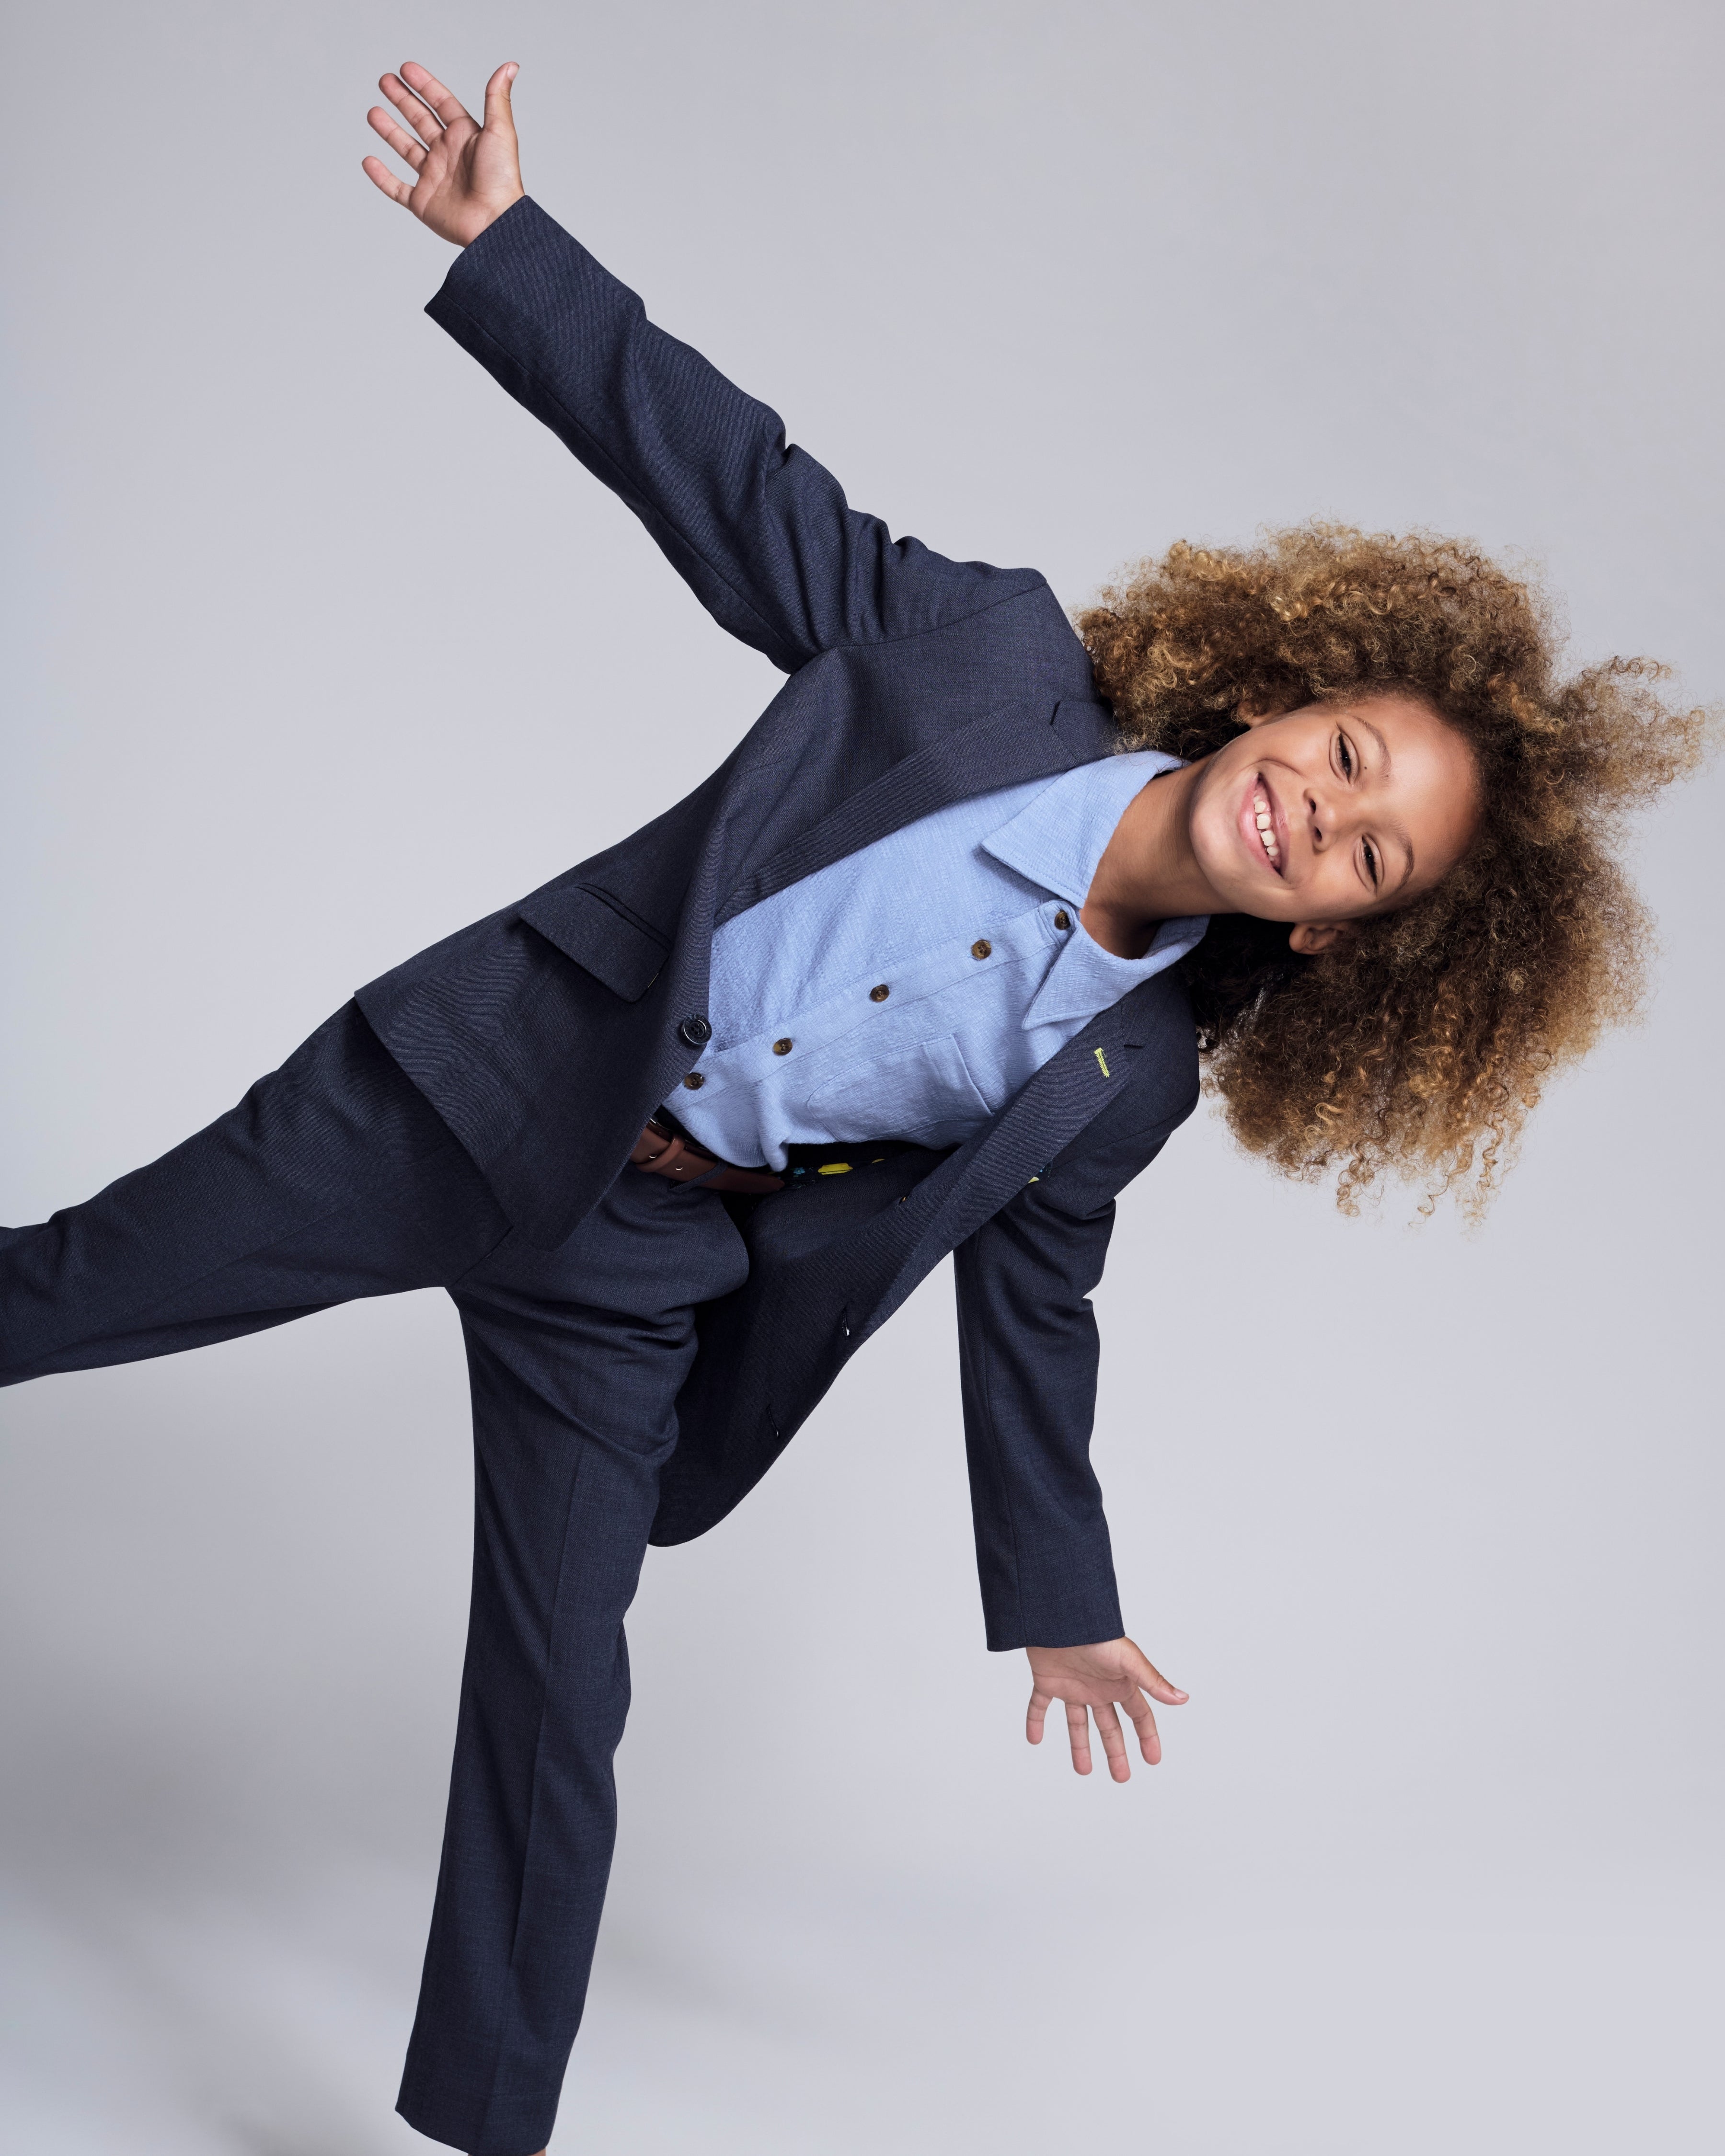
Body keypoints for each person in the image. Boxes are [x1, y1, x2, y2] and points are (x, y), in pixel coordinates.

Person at [1, 55, 1710, 2156]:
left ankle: (482, 2133)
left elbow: (1036, 1313)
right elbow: (742, 485)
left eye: (1372, 857)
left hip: (634, 1258)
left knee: (558, 1717)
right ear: (1284, 693)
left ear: (1353, 943)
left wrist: (1061, 1596)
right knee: (67, 1294)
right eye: (1349, 755)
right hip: (480, 1083)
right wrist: (506, 253)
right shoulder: (978, 654)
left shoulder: (1135, 1070)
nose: (1325, 816)